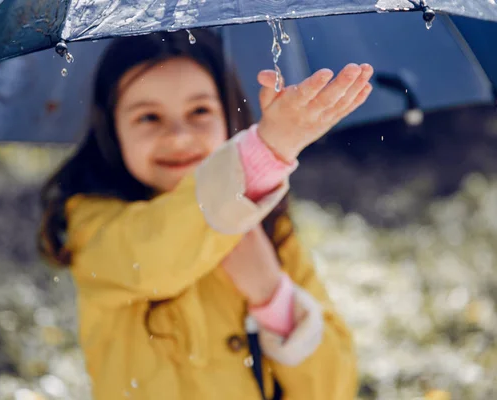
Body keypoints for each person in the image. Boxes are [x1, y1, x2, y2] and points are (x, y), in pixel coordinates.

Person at [38, 28, 373, 400]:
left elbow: (332, 387)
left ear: (229, 115)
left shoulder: (268, 227)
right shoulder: (93, 223)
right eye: (149, 117)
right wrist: (264, 153)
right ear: (112, 129)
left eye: (200, 111)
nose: (179, 136)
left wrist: (272, 296)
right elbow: (151, 253)